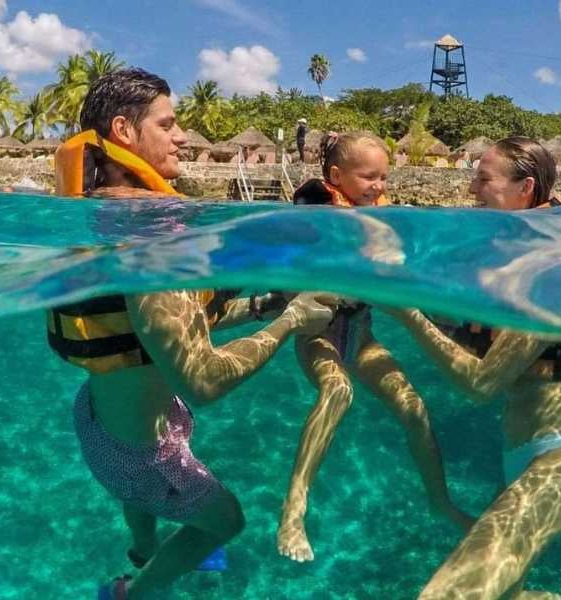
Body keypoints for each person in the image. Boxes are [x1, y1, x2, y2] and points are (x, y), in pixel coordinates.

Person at [48, 68, 336, 600]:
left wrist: (257, 307)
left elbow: (153, 330)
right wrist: (291, 319)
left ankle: (142, 547)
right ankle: (131, 592)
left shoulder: (95, 217)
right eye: (169, 123)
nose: (182, 136)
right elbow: (201, 379)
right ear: (124, 131)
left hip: (98, 418)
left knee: (145, 495)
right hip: (140, 454)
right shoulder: (152, 234)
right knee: (226, 521)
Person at [391, 137, 561, 599]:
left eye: (483, 179)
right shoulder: (513, 264)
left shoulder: (553, 270)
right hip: (523, 458)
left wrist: (405, 311)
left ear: (524, 188)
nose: (471, 190)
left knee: (447, 594)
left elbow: (481, 381)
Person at [276, 132, 473, 563]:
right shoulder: (319, 216)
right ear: (335, 176)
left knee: (414, 408)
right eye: (368, 177)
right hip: (319, 336)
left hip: (362, 336)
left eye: (384, 176)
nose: (379, 186)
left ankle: (439, 503)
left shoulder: (381, 219)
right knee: (338, 391)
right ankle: (294, 510)